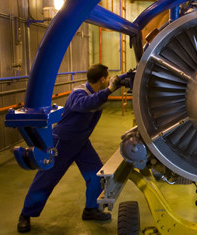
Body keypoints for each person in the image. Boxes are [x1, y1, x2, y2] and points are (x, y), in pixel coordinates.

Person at [17, 64, 123, 233]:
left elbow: (109, 88)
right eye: (108, 78)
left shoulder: (97, 91)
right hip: (63, 142)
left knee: (97, 175)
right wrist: (109, 90)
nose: (109, 81)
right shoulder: (79, 93)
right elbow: (86, 105)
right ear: (102, 80)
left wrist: (126, 78)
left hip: (81, 142)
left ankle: (91, 209)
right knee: (46, 180)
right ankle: (26, 214)